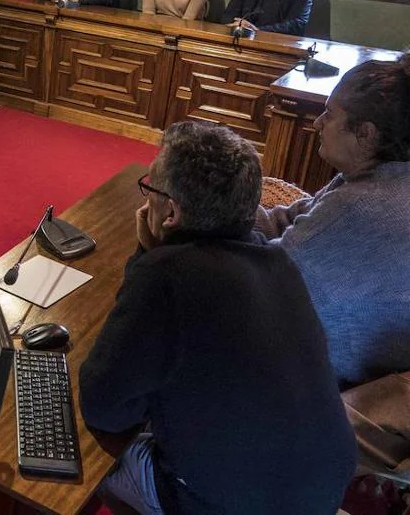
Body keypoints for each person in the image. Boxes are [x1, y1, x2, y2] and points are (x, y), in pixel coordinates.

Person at [80, 121, 356, 515]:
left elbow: (104, 407)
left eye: (151, 189)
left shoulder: (167, 274)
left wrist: (147, 255)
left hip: (233, 503)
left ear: (170, 212)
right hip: (322, 487)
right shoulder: (279, 262)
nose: (146, 203)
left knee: (98, 463)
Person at [256, 53, 410, 387]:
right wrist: (231, 208)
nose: (316, 124)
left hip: (339, 389)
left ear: (366, 134)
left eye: (329, 114)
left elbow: (264, 277)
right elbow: (302, 215)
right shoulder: (379, 173)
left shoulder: (365, 206)